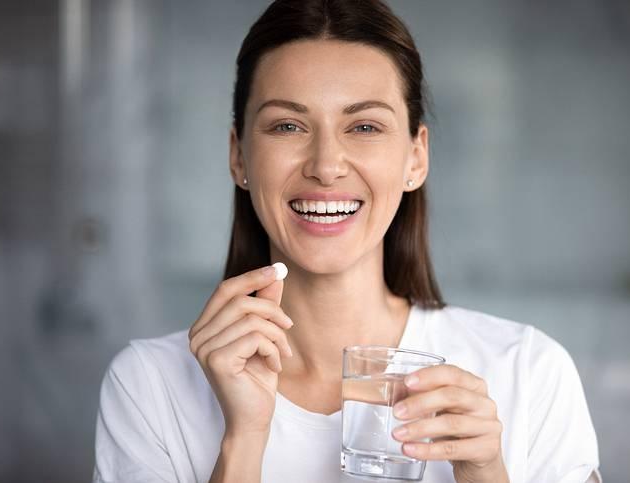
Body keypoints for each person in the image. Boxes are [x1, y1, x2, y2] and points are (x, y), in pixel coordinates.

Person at [92, 1, 601, 482]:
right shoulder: (148, 385)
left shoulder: (527, 371)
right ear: (239, 157)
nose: (326, 166)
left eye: (364, 126)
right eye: (288, 125)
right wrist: (242, 440)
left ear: (415, 158)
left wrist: (486, 474)